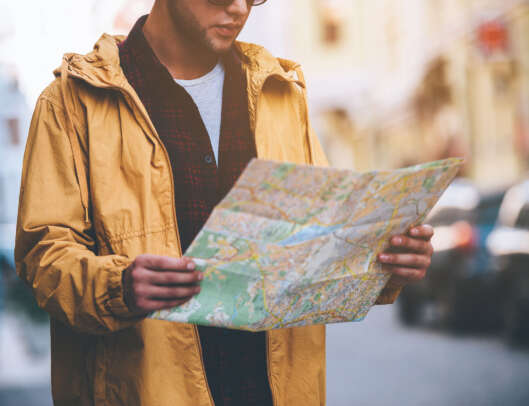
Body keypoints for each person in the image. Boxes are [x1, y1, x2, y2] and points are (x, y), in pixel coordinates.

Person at [15, 1, 434, 405]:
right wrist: (119, 287)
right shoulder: (72, 101)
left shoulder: (282, 94)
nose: (238, 8)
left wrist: (386, 259)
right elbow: (43, 257)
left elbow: (320, 249)